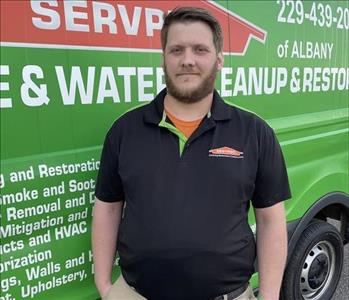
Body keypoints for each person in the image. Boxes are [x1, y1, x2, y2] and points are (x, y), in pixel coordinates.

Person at [92, 7, 291, 300]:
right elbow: (107, 208)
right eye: (176, 50)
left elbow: (270, 220)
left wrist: (271, 296)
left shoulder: (255, 132)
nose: (187, 60)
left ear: (218, 59)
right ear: (163, 58)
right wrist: (105, 286)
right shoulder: (125, 130)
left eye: (200, 49)